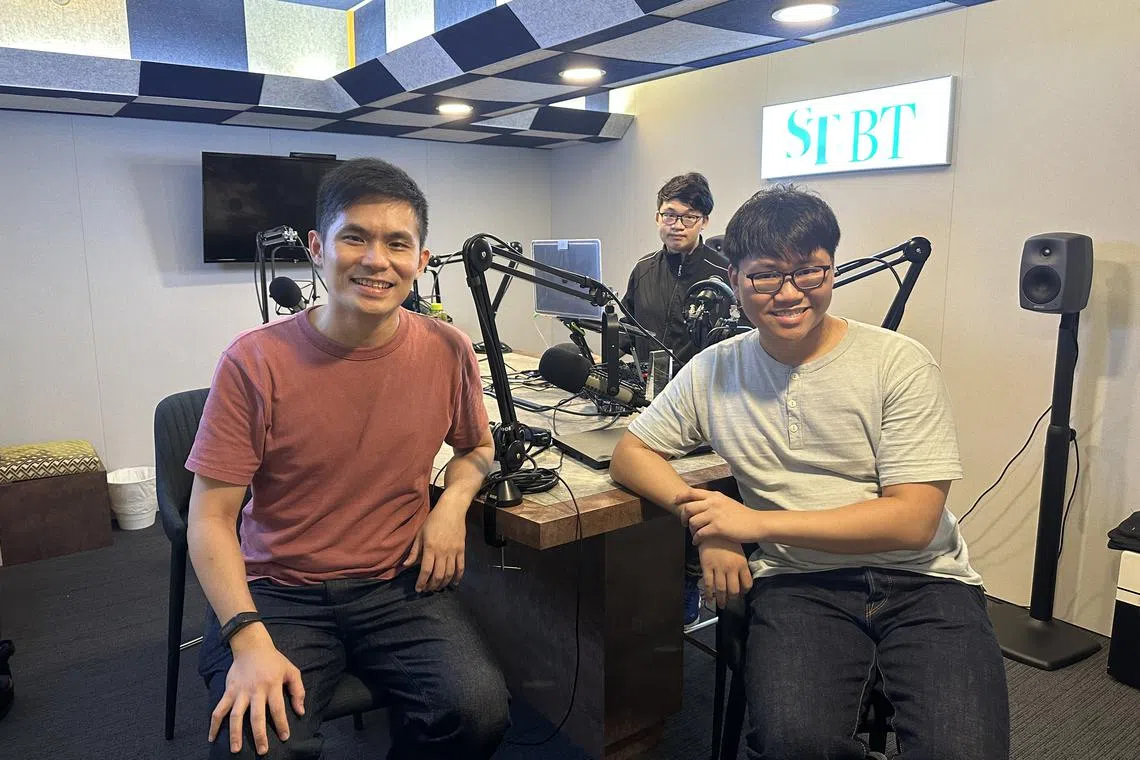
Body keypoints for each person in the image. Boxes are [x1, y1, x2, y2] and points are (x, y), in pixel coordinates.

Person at [610, 185, 1009, 759]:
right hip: (799, 586)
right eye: (767, 276)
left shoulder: (897, 361)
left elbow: (913, 521)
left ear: (832, 270)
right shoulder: (715, 369)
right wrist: (711, 525)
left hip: (925, 583)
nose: (789, 294)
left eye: (810, 273)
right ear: (734, 275)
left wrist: (753, 525)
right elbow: (632, 452)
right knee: (792, 743)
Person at [186, 158, 510, 760]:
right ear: (317, 248)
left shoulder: (447, 349)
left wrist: (451, 506)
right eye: (354, 237)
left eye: (397, 243)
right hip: (279, 592)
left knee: (477, 714)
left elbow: (478, 449)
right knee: (261, 746)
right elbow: (209, 517)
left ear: (421, 259)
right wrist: (246, 638)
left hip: (394, 585)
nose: (375, 260)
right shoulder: (253, 363)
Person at [620, 171, 731, 628]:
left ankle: (688, 590)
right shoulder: (643, 270)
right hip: (647, 404)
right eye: (669, 214)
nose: (676, 224)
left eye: (687, 216)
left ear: (704, 220)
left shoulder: (725, 278)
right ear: (657, 217)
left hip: (706, 412)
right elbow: (626, 330)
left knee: (692, 501)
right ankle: (643, 588)